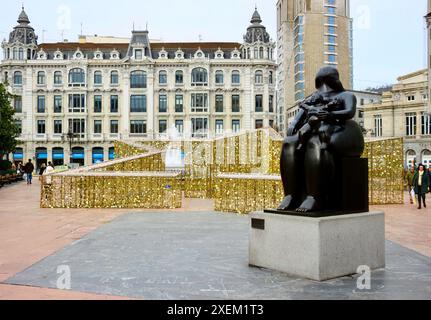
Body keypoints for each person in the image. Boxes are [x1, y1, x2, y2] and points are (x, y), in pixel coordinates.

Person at [278, 66, 364, 212]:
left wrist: (330, 115)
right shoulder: (313, 97)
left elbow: (349, 112)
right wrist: (294, 124)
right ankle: (290, 195)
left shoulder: (346, 96)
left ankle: (314, 197)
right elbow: (299, 117)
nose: (323, 89)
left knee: (315, 142)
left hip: (341, 132)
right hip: (315, 129)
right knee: (288, 143)